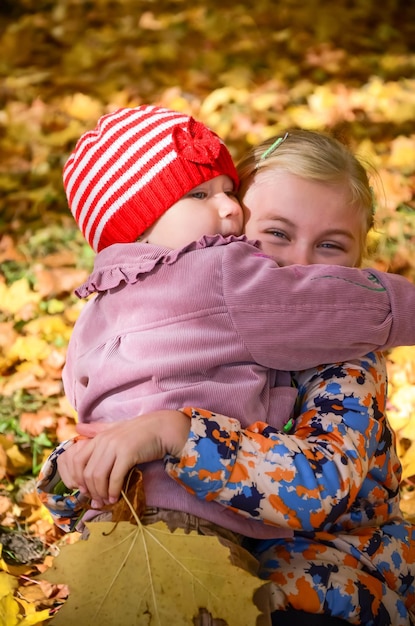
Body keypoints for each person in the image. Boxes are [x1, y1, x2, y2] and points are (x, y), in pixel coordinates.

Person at [36, 111, 415, 624]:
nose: (299, 262)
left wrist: (180, 434)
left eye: (330, 246)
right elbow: (104, 452)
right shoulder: (164, 327)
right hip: (190, 560)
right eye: (276, 233)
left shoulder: (346, 361)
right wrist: (74, 471)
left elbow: (320, 487)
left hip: (331, 576)